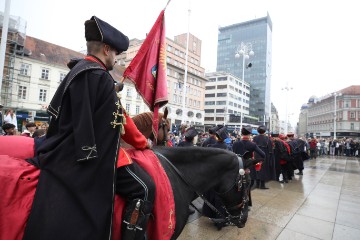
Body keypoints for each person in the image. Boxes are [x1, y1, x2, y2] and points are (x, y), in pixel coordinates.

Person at [23, 16, 155, 240]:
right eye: (115, 53)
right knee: (145, 188)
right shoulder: (100, 77)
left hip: (61, 151)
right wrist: (145, 143)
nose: (115, 58)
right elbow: (118, 123)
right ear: (106, 49)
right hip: (87, 160)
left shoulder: (78, 71)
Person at [252, 125, 275, 189]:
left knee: (257, 169)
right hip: (264, 156)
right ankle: (262, 185)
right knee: (264, 170)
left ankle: (257, 184)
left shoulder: (255, 138)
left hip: (256, 155)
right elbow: (270, 150)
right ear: (264, 131)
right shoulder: (268, 139)